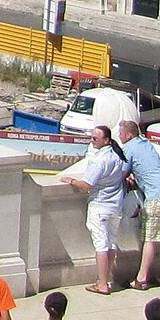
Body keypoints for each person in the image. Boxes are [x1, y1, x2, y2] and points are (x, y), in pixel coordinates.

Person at [59, 126, 131, 294]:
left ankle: (103, 284)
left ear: (105, 140)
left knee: (101, 244)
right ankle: (105, 279)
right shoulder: (117, 156)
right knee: (111, 242)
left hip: (100, 205)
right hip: (115, 205)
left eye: (95, 139)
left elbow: (86, 185)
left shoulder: (100, 160)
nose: (92, 141)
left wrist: (71, 180)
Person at [117, 120, 160, 289]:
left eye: (121, 133)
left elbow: (121, 172)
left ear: (129, 135)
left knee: (150, 238)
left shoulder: (129, 147)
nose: (119, 135)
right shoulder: (146, 143)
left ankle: (141, 279)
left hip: (156, 195)